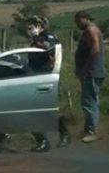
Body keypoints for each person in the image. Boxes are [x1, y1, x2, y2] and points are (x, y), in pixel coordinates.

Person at [27, 15, 71, 152]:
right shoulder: (36, 39)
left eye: (34, 25)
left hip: (47, 76)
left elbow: (49, 47)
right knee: (32, 110)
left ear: (41, 25)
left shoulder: (48, 36)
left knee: (51, 109)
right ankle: (43, 141)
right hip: (36, 76)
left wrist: (36, 38)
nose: (31, 28)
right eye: (30, 26)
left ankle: (64, 135)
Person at [74, 11, 105, 143]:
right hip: (92, 71)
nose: (77, 24)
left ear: (85, 18)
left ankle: (92, 131)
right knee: (90, 100)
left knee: (89, 102)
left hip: (91, 72)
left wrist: (84, 69)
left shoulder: (90, 31)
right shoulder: (90, 30)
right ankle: (89, 129)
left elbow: (95, 49)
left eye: (78, 20)